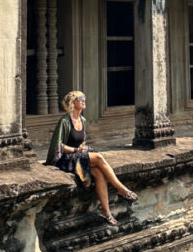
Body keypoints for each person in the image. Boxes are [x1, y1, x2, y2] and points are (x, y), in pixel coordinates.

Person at [46, 90, 137, 226]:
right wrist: (77, 150)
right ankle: (121, 189)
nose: (84, 100)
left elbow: (81, 142)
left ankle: (106, 213)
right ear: (73, 102)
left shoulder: (82, 120)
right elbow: (59, 146)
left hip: (78, 156)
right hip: (66, 159)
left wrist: (83, 148)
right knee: (99, 158)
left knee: (99, 174)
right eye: (80, 98)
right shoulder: (65, 121)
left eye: (84, 97)